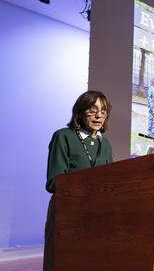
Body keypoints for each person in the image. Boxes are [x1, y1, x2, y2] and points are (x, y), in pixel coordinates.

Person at [44, 91, 113, 271]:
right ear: (80, 112)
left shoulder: (105, 144)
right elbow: (54, 182)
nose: (99, 115)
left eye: (103, 111)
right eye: (93, 109)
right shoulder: (63, 136)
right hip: (66, 214)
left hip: (97, 216)